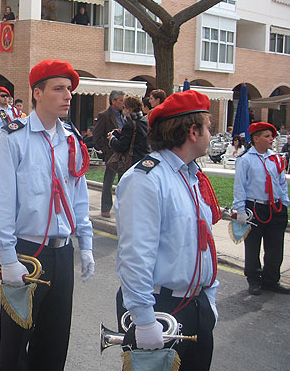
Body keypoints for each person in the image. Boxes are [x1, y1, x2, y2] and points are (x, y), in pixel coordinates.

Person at [0, 59, 93, 371]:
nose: (68, 96)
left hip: (62, 254)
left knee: (54, 344)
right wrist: (7, 258)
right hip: (27, 251)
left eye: (70, 90)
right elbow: (3, 203)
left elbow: (79, 197)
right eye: (59, 89)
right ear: (37, 93)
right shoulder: (13, 137)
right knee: (14, 344)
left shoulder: (71, 139)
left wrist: (85, 244)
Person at [116, 90, 220, 370]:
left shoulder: (192, 176)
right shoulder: (147, 179)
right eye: (208, 127)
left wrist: (208, 299)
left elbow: (203, 245)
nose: (212, 134)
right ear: (193, 132)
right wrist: (144, 319)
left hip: (194, 305)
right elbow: (135, 255)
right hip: (159, 307)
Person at [233, 122, 289, 295]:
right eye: (266, 136)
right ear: (255, 139)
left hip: (275, 207)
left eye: (271, 136)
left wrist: (284, 203)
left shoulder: (276, 158)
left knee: (275, 247)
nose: (271, 139)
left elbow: (281, 183)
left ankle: (271, 280)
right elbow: (240, 186)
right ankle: (254, 279)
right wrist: (240, 210)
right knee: (253, 246)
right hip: (255, 206)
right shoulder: (245, 160)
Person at [93, 90, 125, 217]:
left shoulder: (124, 115)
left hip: (123, 152)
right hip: (111, 153)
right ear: (113, 101)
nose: (123, 103)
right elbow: (96, 135)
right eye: (121, 100)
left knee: (124, 181)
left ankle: (122, 207)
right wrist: (105, 149)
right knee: (108, 181)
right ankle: (105, 208)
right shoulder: (105, 115)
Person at [109, 94, 149, 171]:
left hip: (131, 162)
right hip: (144, 160)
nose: (123, 110)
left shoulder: (130, 124)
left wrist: (112, 138)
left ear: (130, 109)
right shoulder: (145, 121)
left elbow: (121, 146)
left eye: (124, 107)